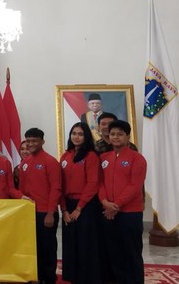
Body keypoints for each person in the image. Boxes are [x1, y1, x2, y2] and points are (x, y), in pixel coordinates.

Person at [99, 120, 146, 284]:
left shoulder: (137, 159)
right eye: (112, 134)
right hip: (108, 212)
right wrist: (105, 202)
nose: (116, 137)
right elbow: (101, 183)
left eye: (120, 134)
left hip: (129, 214)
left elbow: (135, 186)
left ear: (127, 137)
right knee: (114, 252)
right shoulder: (104, 157)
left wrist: (115, 205)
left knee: (131, 252)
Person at [59, 122, 102, 284]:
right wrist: (64, 210)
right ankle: (73, 276)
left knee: (85, 243)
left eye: (80, 134)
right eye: (74, 133)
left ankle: (87, 277)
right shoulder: (65, 156)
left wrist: (79, 208)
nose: (76, 137)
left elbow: (93, 183)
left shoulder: (91, 156)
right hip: (67, 206)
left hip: (86, 206)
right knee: (71, 242)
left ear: (86, 137)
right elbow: (60, 185)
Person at [18, 128, 61, 284]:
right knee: (33, 247)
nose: (30, 144)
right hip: (29, 213)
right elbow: (22, 190)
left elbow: (56, 188)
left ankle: (49, 278)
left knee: (47, 248)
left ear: (42, 142)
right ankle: (36, 276)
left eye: (34, 141)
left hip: (45, 213)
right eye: (28, 141)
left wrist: (50, 212)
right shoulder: (25, 163)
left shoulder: (50, 162)